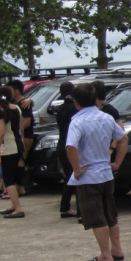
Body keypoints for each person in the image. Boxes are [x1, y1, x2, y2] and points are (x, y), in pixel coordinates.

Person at [66, 83, 127, 261]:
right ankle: (117, 249)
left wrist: (76, 169)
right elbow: (123, 138)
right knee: (110, 214)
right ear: (95, 99)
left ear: (76, 102)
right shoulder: (107, 117)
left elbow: (70, 147)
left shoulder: (77, 121)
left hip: (89, 176)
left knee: (96, 217)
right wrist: (117, 162)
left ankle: (105, 255)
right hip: (106, 173)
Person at [0, 86, 25, 218]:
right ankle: (14, 205)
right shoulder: (16, 108)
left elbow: (0, 132)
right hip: (18, 144)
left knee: (8, 179)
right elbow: (20, 126)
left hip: (8, 147)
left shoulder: (0, 110)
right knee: (13, 176)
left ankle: (17, 208)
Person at [55, 81, 79, 219]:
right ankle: (73, 209)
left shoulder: (61, 108)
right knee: (76, 177)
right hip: (71, 146)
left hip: (61, 146)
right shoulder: (75, 109)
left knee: (71, 177)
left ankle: (65, 207)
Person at [6, 80, 33, 196]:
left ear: (17, 91)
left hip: (25, 136)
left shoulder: (24, 104)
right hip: (17, 137)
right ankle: (19, 186)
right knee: (17, 162)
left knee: (21, 161)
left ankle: (21, 187)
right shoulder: (13, 103)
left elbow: (27, 122)